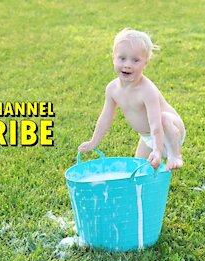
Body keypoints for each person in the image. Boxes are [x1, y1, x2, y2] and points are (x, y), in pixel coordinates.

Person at [78, 28, 186, 171]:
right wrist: (93, 142)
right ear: (113, 58)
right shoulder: (112, 89)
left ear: (145, 63)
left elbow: (155, 125)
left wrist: (158, 150)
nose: (127, 64)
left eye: (135, 60)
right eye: (122, 58)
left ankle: (175, 156)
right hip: (147, 136)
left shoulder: (148, 90)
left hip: (169, 131)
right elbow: (105, 118)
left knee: (164, 118)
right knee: (138, 169)